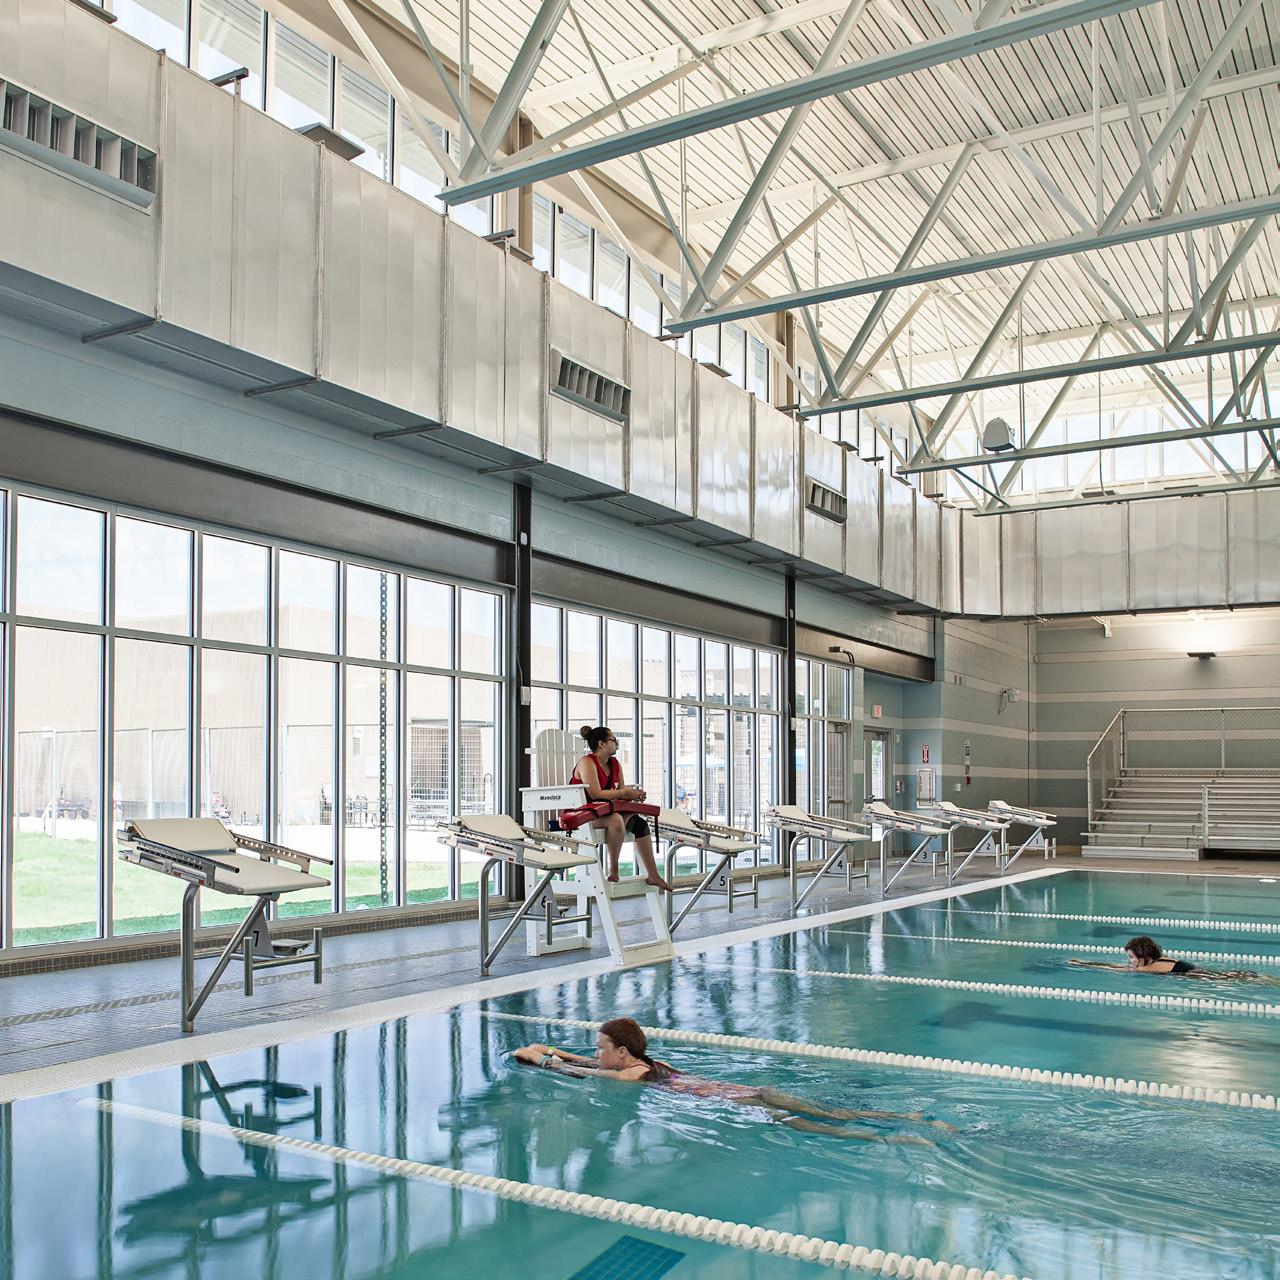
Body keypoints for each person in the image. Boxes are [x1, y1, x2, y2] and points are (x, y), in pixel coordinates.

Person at [513, 1017, 951, 1144]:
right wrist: (555, 1049)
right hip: (750, 1092)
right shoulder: (646, 1062)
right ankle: (904, 1117)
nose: (595, 1054)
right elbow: (585, 1062)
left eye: (600, 1048)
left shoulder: (630, 1076)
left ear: (622, 1052)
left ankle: (893, 1138)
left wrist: (542, 1060)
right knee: (834, 1112)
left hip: (741, 1105)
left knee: (823, 1129)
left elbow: (580, 1072)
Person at [570, 726, 672, 891]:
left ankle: (653, 875)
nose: (616, 743)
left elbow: (620, 793)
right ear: (601, 744)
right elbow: (596, 794)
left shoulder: (615, 764)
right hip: (582, 815)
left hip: (606, 812)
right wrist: (625, 793)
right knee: (616, 820)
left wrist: (633, 795)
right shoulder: (587, 762)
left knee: (639, 824)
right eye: (613, 739)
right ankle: (614, 869)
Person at [1068, 934, 1278, 982]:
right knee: (1250, 977)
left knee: (1244, 979)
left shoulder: (1146, 968)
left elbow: (1112, 968)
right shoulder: (1161, 960)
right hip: (1199, 972)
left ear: (1143, 957)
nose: (1129, 961)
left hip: (1200, 978)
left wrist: (1085, 964)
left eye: (1131, 957)